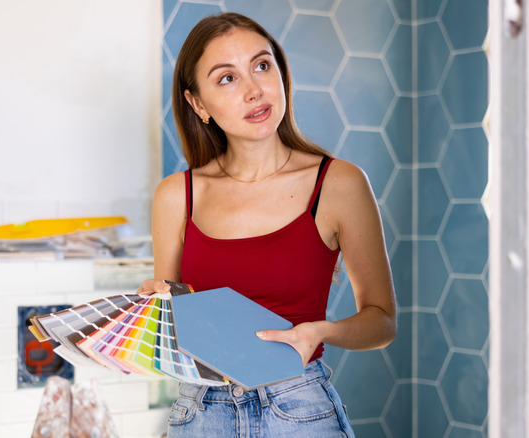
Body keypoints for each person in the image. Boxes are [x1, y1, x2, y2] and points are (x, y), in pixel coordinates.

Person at [138, 12, 396, 437]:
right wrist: (153, 306)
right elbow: (172, 335)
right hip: (202, 412)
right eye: (227, 78)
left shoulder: (339, 184)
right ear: (198, 104)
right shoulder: (176, 195)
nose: (254, 90)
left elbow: (382, 321)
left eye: (262, 65)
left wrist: (321, 332)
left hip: (300, 410)